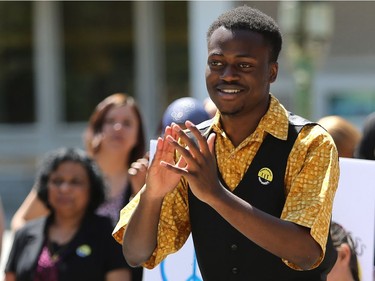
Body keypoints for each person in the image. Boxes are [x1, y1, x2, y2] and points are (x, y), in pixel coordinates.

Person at [113, 5, 339, 281]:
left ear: (272, 72)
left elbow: (305, 253)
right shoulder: (191, 144)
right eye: (216, 63)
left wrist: (215, 194)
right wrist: (153, 195)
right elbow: (136, 253)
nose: (227, 75)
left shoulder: (309, 142)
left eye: (244, 65)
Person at [10, 93, 147, 281]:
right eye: (110, 121)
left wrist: (141, 193)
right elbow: (21, 222)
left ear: (138, 136)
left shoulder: (143, 179)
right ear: (97, 128)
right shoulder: (67, 172)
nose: (118, 128)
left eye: (127, 123)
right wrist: (49, 257)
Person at [4, 147, 130, 281]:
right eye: (57, 181)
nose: (64, 189)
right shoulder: (25, 234)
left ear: (92, 188)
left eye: (75, 182)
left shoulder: (110, 233)